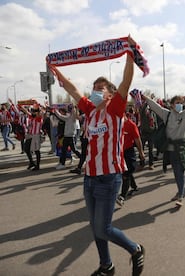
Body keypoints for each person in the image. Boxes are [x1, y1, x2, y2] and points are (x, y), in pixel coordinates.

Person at [48, 37, 145, 276]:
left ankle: (135, 249)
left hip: (109, 177)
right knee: (96, 227)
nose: (94, 91)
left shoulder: (115, 108)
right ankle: (106, 265)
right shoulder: (90, 111)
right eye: (94, 87)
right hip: (90, 178)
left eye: (100, 88)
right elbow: (72, 88)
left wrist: (129, 54)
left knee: (104, 228)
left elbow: (126, 81)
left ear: (111, 94)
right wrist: (55, 69)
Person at [143, 85, 185, 206]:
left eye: (181, 103)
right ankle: (179, 192)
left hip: (181, 149)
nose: (179, 105)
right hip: (170, 149)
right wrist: (146, 98)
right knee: (176, 173)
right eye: (177, 103)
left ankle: (181, 196)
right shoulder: (167, 114)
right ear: (171, 105)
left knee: (179, 172)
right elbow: (156, 107)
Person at [117, 112, 145, 206]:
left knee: (126, 173)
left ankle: (122, 196)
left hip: (129, 152)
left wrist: (141, 152)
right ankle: (134, 187)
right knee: (125, 172)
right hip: (119, 152)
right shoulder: (115, 125)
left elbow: (137, 139)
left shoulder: (131, 125)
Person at [53, 105, 82, 170]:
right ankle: (62, 163)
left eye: (70, 109)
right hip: (66, 136)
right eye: (70, 109)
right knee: (64, 150)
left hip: (71, 136)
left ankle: (83, 159)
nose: (69, 110)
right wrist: (55, 110)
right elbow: (60, 116)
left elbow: (76, 114)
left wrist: (75, 108)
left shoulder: (74, 117)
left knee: (74, 150)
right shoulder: (68, 117)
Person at [19, 104, 44, 171]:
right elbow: (27, 112)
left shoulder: (39, 118)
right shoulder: (32, 117)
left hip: (36, 135)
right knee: (26, 149)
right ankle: (32, 162)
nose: (32, 112)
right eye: (32, 111)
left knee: (36, 150)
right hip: (30, 135)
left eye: (34, 111)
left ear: (37, 112)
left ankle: (37, 166)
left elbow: (41, 113)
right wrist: (21, 106)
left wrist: (38, 107)